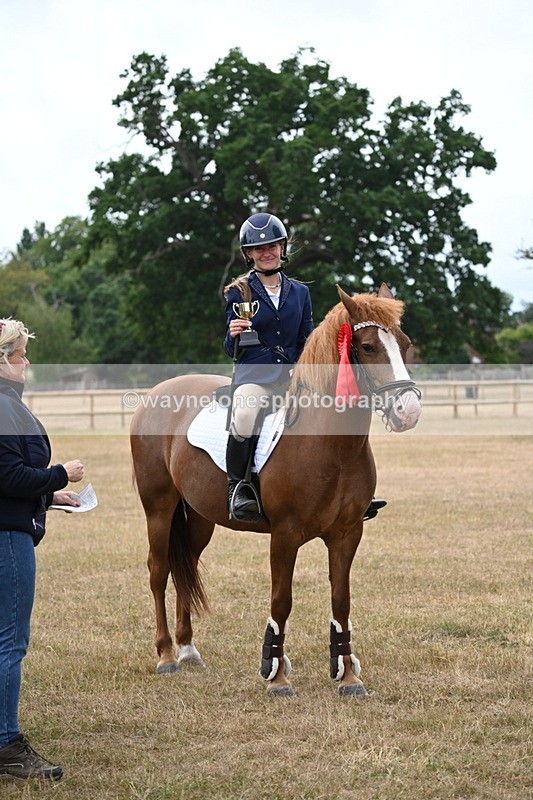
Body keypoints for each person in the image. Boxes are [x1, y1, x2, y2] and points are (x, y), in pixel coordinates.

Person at [0, 318, 84, 782]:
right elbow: (8, 477)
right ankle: (7, 745)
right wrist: (58, 475)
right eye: (20, 355)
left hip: (11, 522)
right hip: (7, 537)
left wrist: (49, 497)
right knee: (10, 641)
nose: (26, 362)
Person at [223, 212, 314, 520]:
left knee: (336, 409)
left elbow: (307, 339)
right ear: (249, 254)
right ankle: (238, 487)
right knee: (246, 413)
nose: (266, 252)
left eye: (272, 246)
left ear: (282, 247)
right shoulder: (239, 291)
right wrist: (233, 334)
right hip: (256, 376)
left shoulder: (301, 292)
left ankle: (347, 488)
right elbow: (230, 348)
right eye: (258, 249)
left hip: (294, 377)